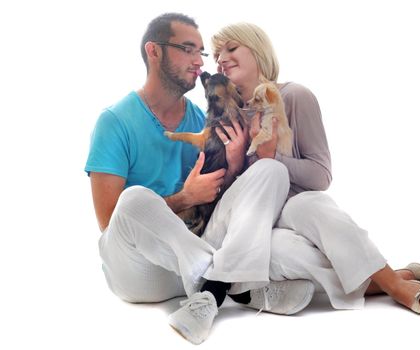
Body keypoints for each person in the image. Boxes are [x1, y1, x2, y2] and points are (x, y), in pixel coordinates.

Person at [85, 13, 315, 345]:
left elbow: (225, 206)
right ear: (155, 51)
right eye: (188, 49)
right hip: (138, 269)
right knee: (134, 198)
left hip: (195, 254)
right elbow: (110, 221)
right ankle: (240, 287)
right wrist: (184, 198)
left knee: (271, 171)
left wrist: (235, 165)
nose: (200, 61)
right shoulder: (115, 122)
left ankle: (212, 292)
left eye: (201, 53)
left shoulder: (202, 117)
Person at [210, 22, 420, 315]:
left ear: (258, 52)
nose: (221, 59)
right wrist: (233, 164)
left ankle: (394, 285)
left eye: (231, 48)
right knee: (279, 253)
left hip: (297, 208)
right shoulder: (223, 117)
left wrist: (273, 158)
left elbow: (321, 175)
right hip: (256, 226)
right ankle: (380, 279)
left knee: (311, 206)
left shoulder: (294, 97)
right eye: (217, 54)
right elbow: (226, 200)